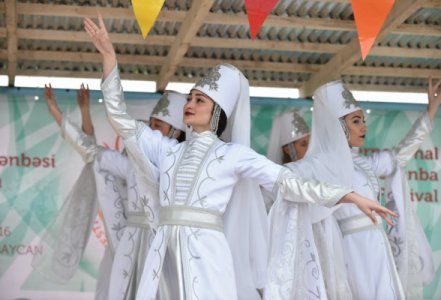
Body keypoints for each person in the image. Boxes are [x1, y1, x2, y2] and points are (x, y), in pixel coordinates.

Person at [84, 12, 396, 300]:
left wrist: (350, 195)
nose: (190, 103)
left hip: (206, 253)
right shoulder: (166, 150)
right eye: (190, 98)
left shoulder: (233, 155)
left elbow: (290, 182)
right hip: (161, 251)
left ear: (217, 111)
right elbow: (121, 119)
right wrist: (110, 59)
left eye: (200, 100)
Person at [272, 79, 441, 299]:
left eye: (363, 120)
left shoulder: (362, 164)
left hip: (378, 244)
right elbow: (283, 178)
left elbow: (399, 156)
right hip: (351, 250)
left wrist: (430, 113)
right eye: (356, 121)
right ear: (338, 126)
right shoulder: (318, 165)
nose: (364, 127)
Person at [33, 83, 186, 300]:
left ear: (176, 131)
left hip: (165, 250)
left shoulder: (186, 168)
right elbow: (92, 151)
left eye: (158, 125)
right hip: (124, 244)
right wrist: (56, 112)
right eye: (149, 123)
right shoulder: (133, 165)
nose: (150, 129)